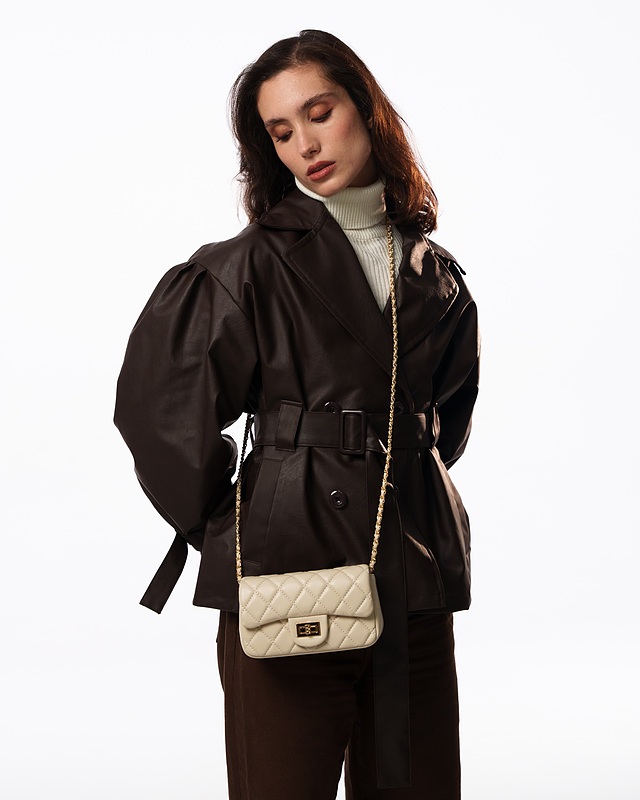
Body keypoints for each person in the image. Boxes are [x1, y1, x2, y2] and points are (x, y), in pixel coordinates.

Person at [114, 29, 480, 800]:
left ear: (366, 109)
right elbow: (160, 417)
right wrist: (238, 519)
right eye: (282, 132)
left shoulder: (436, 274)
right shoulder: (242, 267)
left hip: (411, 581)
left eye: (320, 113)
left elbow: (444, 423)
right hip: (285, 579)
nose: (306, 145)